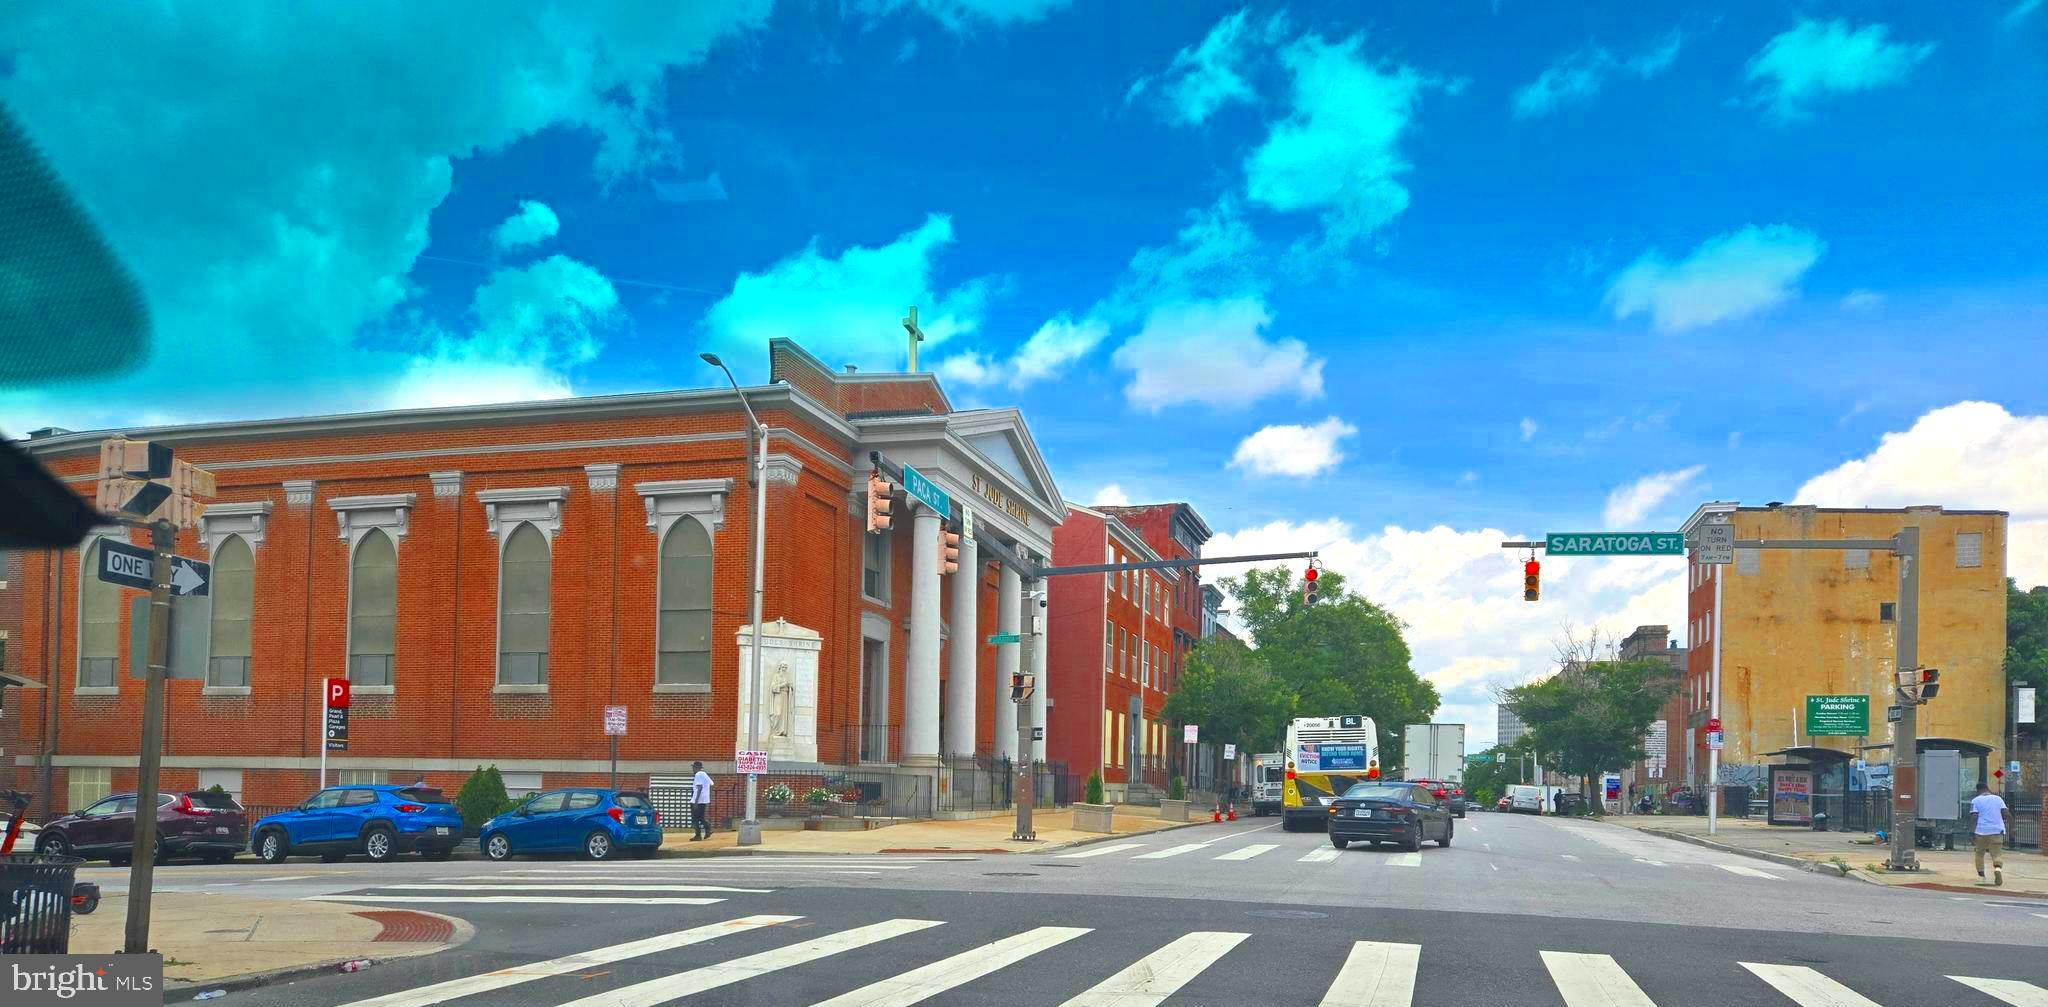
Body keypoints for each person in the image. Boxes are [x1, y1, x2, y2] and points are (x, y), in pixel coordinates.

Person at [1969, 781, 2011, 886]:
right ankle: (1997, 869)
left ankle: (1981, 877)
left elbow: (1974, 817)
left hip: (1981, 831)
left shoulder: (1975, 801)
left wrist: (1972, 832)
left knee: (1979, 853)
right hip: (1997, 830)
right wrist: (2013, 827)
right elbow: (2006, 814)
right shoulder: (1998, 799)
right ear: (1987, 788)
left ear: (1978, 790)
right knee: (1996, 854)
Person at [690, 761, 714, 841]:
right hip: (704, 799)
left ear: (696, 767)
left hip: (697, 800)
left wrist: (696, 802)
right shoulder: (704, 774)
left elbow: (699, 787)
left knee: (695, 819)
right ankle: (708, 828)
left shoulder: (698, 774)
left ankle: (698, 835)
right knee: (701, 817)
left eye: (693, 767)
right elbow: (711, 784)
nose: (692, 769)